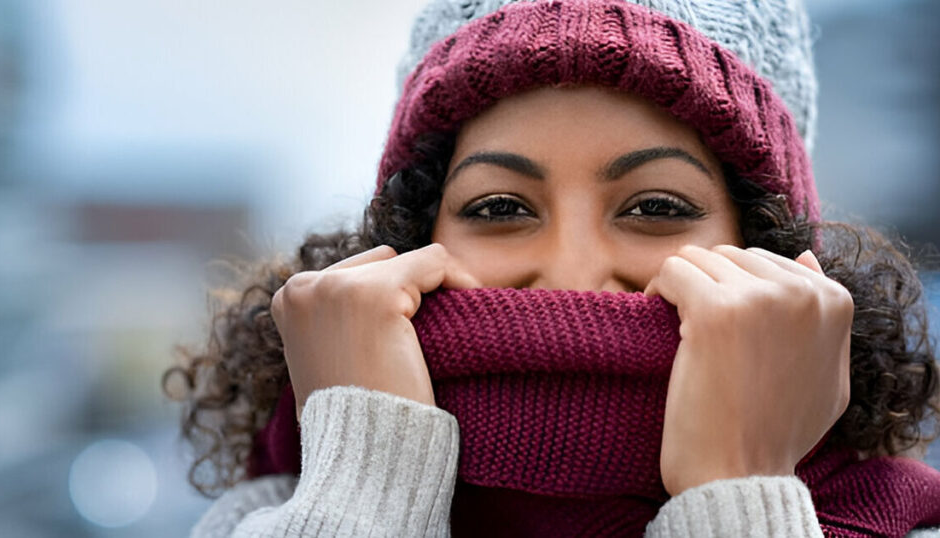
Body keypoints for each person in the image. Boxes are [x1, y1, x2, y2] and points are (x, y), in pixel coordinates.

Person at [164, 0, 940, 536]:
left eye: (656, 207)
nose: (573, 273)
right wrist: (363, 481)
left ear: (766, 248)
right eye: (500, 208)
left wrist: (738, 488)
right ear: (409, 239)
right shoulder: (274, 510)